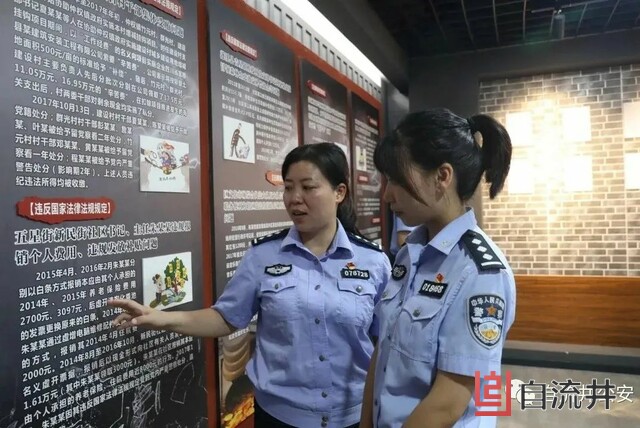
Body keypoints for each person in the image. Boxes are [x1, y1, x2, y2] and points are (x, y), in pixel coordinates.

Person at [109, 142, 390, 428]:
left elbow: (388, 339)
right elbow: (226, 317)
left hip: (354, 417)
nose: (295, 198)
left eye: (308, 187)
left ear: (339, 192)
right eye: (288, 188)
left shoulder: (374, 262)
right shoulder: (263, 255)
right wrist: (160, 318)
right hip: (278, 417)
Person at [360, 109, 516, 428]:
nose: (387, 194)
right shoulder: (410, 254)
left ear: (442, 177)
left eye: (397, 179)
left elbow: (449, 402)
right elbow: (383, 350)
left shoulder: (480, 272)